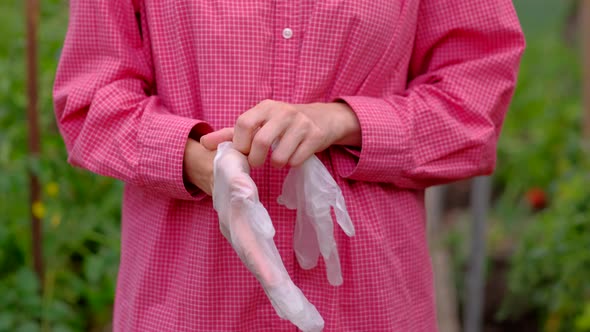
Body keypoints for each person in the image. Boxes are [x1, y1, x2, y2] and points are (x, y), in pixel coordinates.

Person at [53, 0, 525, 331]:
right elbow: (91, 100)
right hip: (191, 299)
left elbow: (475, 97)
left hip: (365, 302)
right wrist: (193, 158)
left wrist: (344, 120)